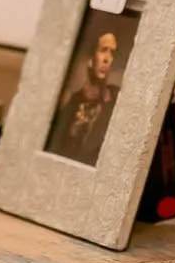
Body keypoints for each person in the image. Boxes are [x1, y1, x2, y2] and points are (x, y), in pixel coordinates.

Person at [49, 30, 122, 165]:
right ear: (90, 60)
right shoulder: (72, 105)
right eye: (103, 50)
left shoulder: (117, 99)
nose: (107, 59)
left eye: (111, 53)